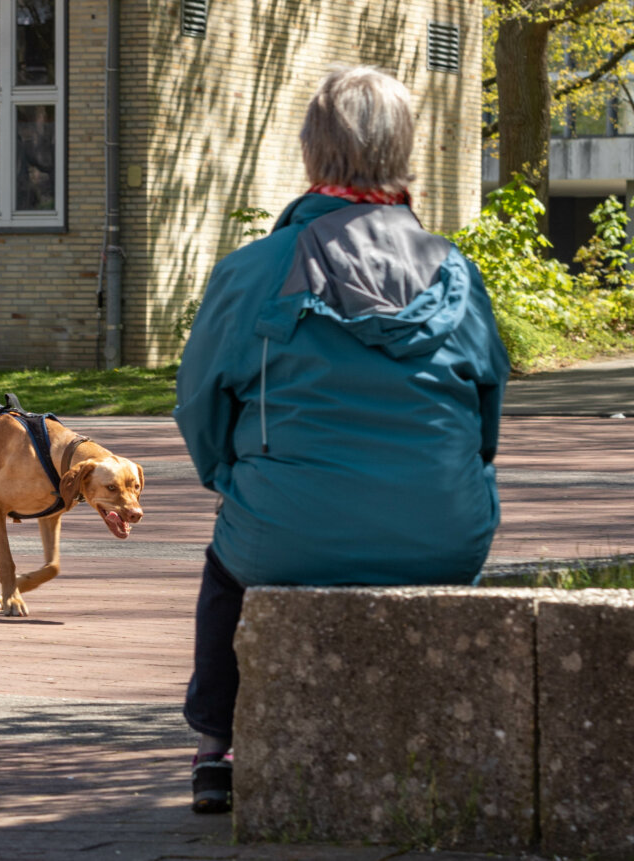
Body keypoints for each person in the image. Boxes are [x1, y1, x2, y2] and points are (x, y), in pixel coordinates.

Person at [173, 67, 509, 814]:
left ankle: (215, 743)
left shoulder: (253, 271)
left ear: (310, 152)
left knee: (226, 569)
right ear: (406, 151)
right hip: (444, 533)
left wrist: (230, 476)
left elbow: (198, 404)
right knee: (452, 519)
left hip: (284, 531)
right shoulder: (459, 273)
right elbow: (486, 413)